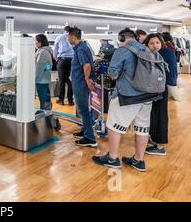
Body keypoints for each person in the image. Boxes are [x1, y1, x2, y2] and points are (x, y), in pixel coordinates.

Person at [93, 28, 156, 172]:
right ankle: (138, 160)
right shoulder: (147, 50)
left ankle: (112, 158)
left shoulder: (122, 51)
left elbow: (113, 74)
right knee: (142, 128)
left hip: (127, 96)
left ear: (122, 38)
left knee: (114, 126)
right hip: (147, 96)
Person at [143, 33, 177, 156]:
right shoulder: (150, 54)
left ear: (161, 42)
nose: (155, 45)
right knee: (153, 115)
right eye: (151, 43)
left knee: (160, 115)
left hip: (160, 90)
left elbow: (171, 71)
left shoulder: (166, 53)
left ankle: (160, 145)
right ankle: (154, 140)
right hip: (151, 90)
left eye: (157, 42)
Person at [67, 27, 97, 147]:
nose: (68, 39)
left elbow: (87, 65)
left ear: (73, 37)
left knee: (83, 110)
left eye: (68, 36)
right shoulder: (82, 47)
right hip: (80, 82)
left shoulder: (81, 49)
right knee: (83, 110)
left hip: (81, 84)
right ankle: (85, 130)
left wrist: (86, 79)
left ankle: (90, 138)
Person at [53, 26, 75, 106]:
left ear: (64, 30)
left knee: (62, 81)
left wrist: (57, 59)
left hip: (62, 60)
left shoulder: (59, 37)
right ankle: (70, 101)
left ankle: (61, 100)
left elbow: (55, 50)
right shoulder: (73, 37)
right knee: (70, 80)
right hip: (72, 60)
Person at [35, 34, 53, 110]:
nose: (34, 43)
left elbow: (39, 67)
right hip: (44, 79)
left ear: (40, 42)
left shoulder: (43, 52)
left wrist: (35, 79)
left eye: (35, 41)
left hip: (41, 81)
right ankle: (46, 118)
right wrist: (46, 72)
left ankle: (46, 119)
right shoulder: (45, 51)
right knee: (45, 100)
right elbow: (48, 66)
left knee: (45, 102)